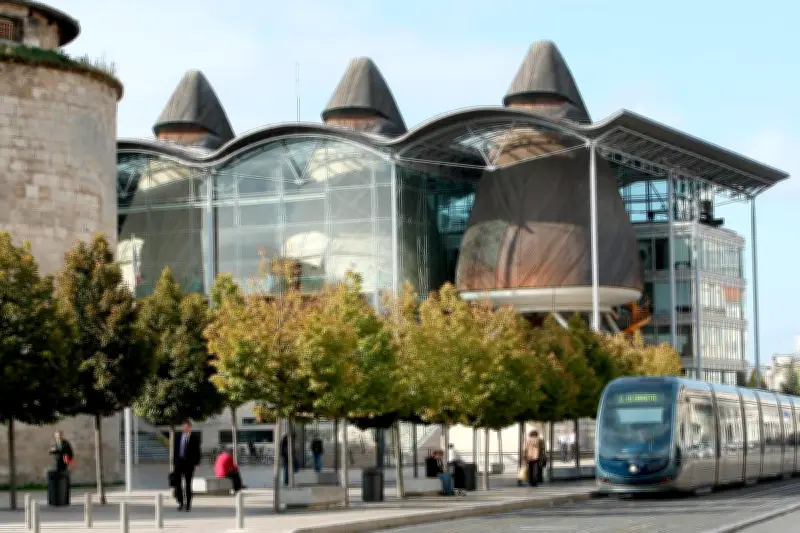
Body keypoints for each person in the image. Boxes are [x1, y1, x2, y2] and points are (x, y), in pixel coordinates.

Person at [173, 420, 201, 511]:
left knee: (188, 484)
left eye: (186, 426)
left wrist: (197, 463)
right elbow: (175, 450)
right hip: (179, 463)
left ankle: (188, 504)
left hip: (189, 464)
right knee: (178, 484)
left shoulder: (194, 438)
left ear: (189, 427)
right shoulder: (177, 436)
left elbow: (198, 451)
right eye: (183, 426)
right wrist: (174, 462)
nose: (184, 428)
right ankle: (180, 502)